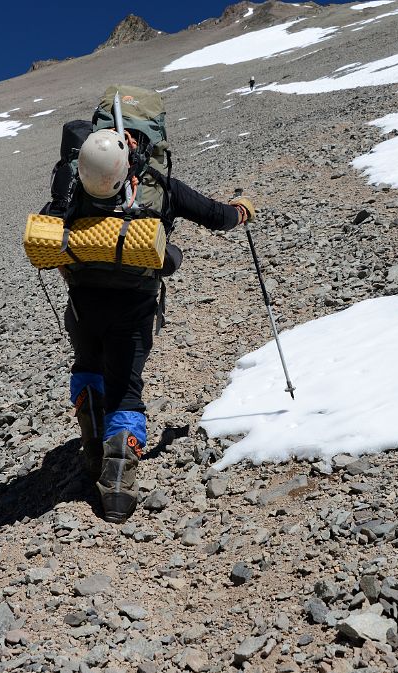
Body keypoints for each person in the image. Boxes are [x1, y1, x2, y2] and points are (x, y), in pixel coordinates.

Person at [46, 87, 255, 523]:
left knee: (87, 364)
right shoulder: (161, 185)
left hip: (82, 304)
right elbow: (217, 215)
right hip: (134, 305)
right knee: (126, 388)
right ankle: (117, 491)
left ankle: (91, 451)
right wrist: (242, 210)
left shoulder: (75, 180)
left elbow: (51, 230)